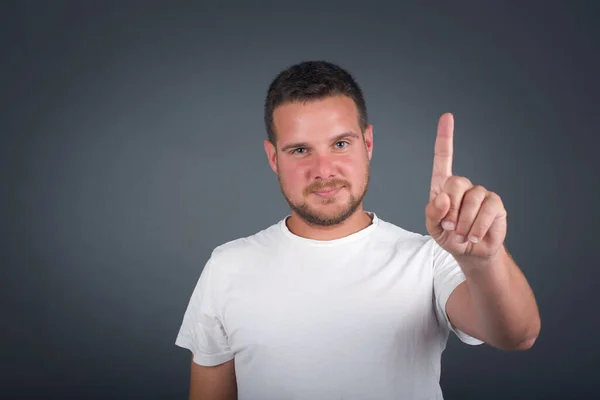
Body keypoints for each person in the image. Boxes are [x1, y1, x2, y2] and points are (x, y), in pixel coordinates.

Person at [174, 60, 541, 400]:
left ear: (367, 143)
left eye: (340, 144)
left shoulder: (428, 259)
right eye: (300, 150)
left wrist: (483, 260)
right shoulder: (228, 266)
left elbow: (517, 335)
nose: (323, 170)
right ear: (273, 158)